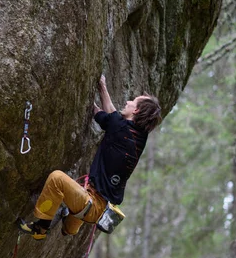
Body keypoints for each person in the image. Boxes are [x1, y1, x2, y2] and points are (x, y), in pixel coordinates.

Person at [19, 75, 162, 240]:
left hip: (91, 204)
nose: (128, 102)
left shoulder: (122, 131)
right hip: (97, 207)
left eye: (133, 101)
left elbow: (107, 113)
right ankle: (69, 228)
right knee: (76, 205)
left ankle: (40, 229)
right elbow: (109, 118)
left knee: (57, 179)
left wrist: (102, 86)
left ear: (135, 111)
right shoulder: (139, 138)